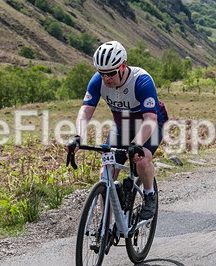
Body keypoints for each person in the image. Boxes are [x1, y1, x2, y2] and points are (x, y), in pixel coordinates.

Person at [69, 40, 167, 220]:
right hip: (122, 126)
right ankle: (106, 224)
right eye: (102, 73)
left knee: (141, 161)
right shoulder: (98, 81)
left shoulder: (141, 80)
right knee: (106, 171)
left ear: (123, 66)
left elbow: (150, 119)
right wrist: (78, 136)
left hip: (151, 124)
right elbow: (86, 110)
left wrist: (136, 144)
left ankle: (149, 194)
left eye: (111, 73)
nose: (106, 79)